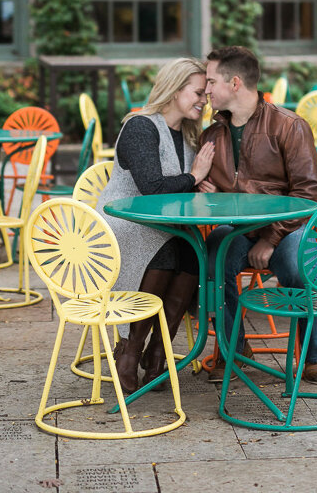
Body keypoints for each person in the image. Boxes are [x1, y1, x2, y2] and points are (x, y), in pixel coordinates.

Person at [198, 47, 317, 384]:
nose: (206, 89)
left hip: (287, 230)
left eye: (211, 81)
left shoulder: (289, 126)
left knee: (297, 265)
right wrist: (208, 197)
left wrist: (271, 239)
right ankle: (234, 350)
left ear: (235, 83)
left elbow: (308, 194)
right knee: (213, 259)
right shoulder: (212, 135)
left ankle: (315, 354)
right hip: (239, 229)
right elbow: (214, 194)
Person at [97, 58, 215, 395]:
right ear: (175, 90)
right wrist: (194, 177)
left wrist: (200, 185)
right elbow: (152, 189)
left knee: (194, 252)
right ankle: (130, 351)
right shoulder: (141, 127)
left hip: (164, 225)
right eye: (197, 93)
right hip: (123, 222)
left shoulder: (189, 135)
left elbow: (180, 189)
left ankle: (159, 350)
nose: (203, 100)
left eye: (206, 94)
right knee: (168, 249)